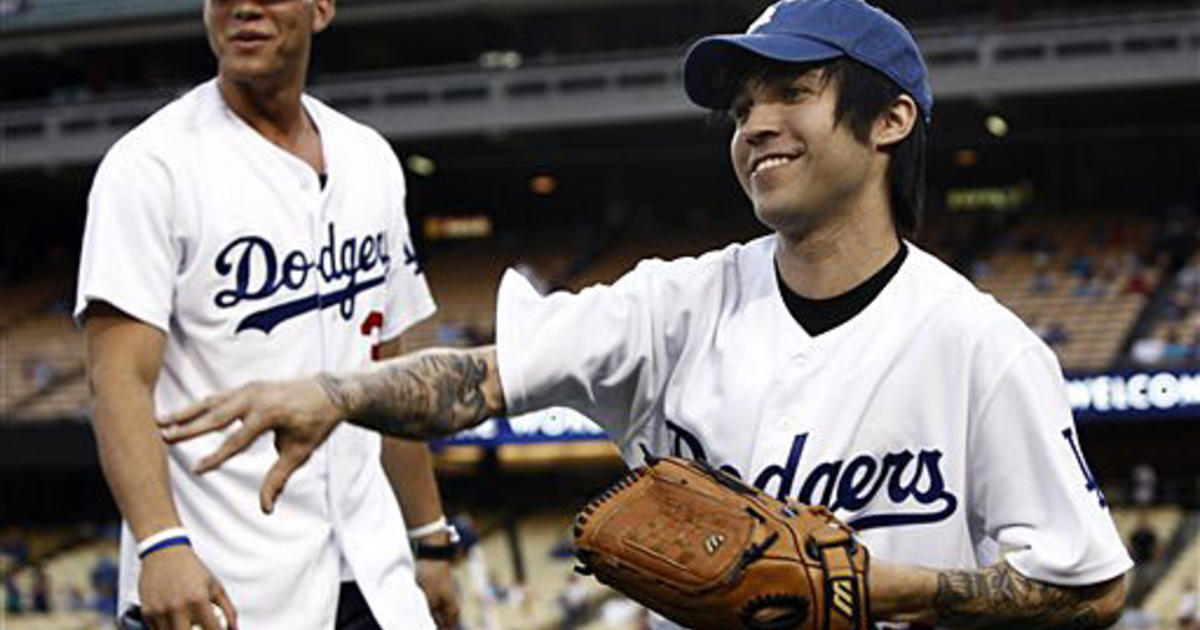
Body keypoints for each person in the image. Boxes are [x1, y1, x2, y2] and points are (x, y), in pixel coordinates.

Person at [159, 0, 1132, 628]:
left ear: (891, 120)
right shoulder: (674, 305)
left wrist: (889, 588)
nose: (755, 124)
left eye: (793, 91)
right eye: (743, 106)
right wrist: (334, 391)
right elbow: (481, 379)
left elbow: (1094, 589)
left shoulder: (981, 349)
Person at [75, 1, 459, 629]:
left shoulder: (370, 161)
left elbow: (392, 367)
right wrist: (160, 543)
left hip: (374, 574)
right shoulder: (149, 165)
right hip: (224, 582)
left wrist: (430, 534)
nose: (244, 6)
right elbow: (116, 379)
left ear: (322, 8)